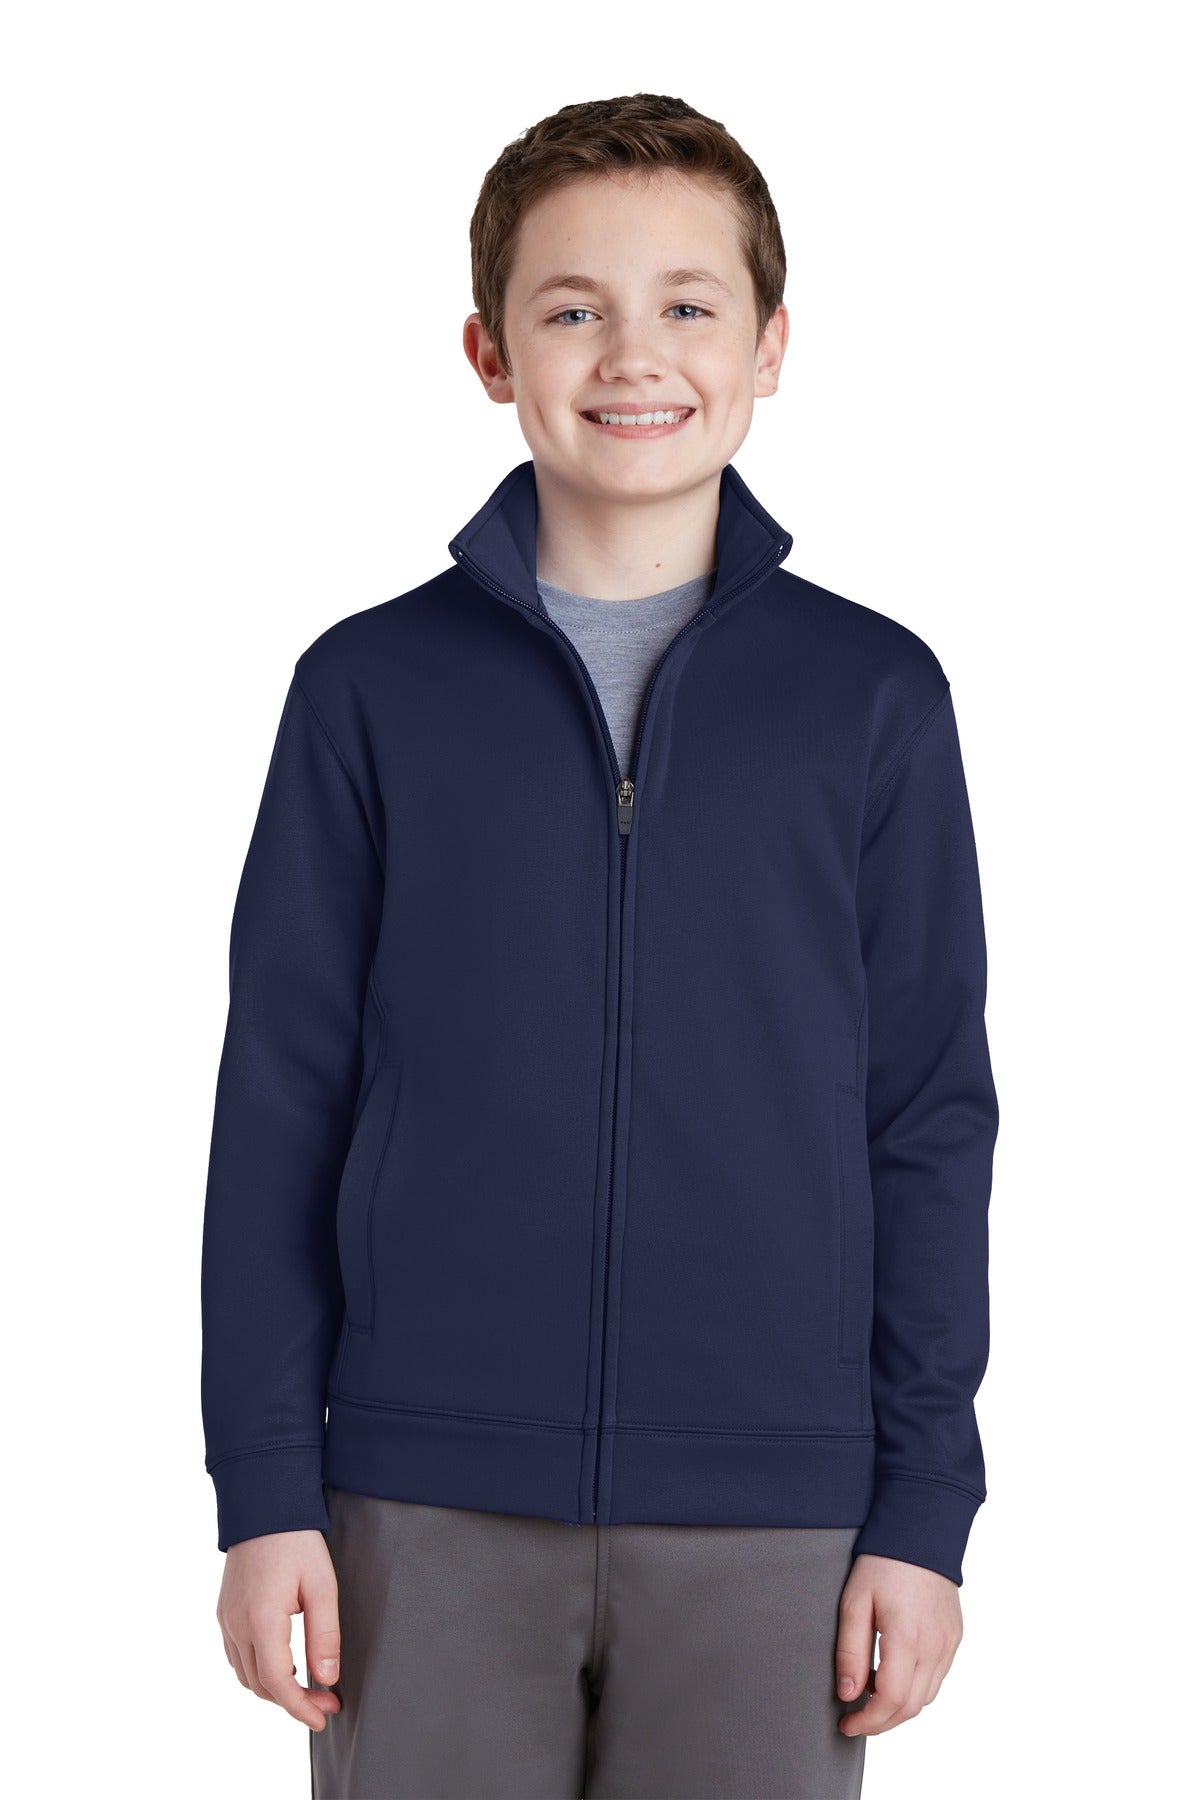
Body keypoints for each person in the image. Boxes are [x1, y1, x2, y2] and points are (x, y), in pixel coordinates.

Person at [201, 92, 999, 1800]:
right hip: (417, 1501)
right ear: (489, 353)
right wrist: (264, 1489)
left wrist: (924, 1507)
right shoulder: (368, 691)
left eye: (689, 305)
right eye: (574, 308)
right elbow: (280, 1104)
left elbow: (928, 1117)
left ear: (771, 346)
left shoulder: (871, 698)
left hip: (778, 1516)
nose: (635, 355)